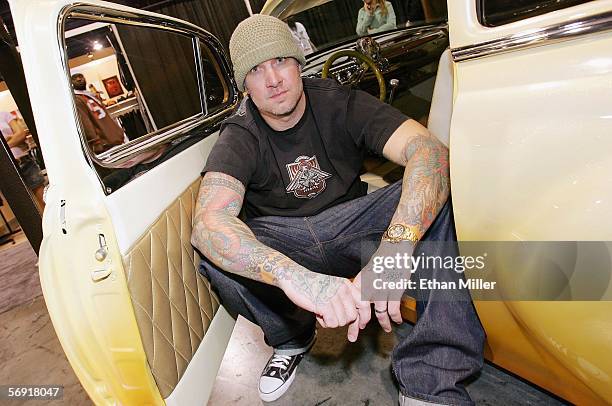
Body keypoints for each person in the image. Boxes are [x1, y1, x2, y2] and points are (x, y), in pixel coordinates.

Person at [191, 14, 484, 405]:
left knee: (434, 196)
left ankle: (430, 380)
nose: (273, 79)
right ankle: (292, 337)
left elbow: (429, 152)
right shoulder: (240, 134)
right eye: (256, 70)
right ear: (245, 87)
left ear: (299, 63)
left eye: (280, 61)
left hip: (353, 226)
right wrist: (293, 277)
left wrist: (394, 250)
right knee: (215, 252)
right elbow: (208, 223)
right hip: (286, 240)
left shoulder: (339, 101)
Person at [0, 110, 46, 210]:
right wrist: (13, 139)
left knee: (44, 199)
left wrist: (5, 147)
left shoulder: (4, 114)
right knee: (25, 207)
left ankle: (53, 224)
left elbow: (21, 134)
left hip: (24, 161)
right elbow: (18, 135)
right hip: (5, 169)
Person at [71, 73, 126, 154]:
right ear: (71, 83)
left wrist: (119, 132)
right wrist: (96, 144)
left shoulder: (90, 95)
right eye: (75, 79)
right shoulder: (77, 99)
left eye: (81, 77)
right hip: (105, 144)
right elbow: (86, 123)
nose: (79, 80)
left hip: (115, 139)